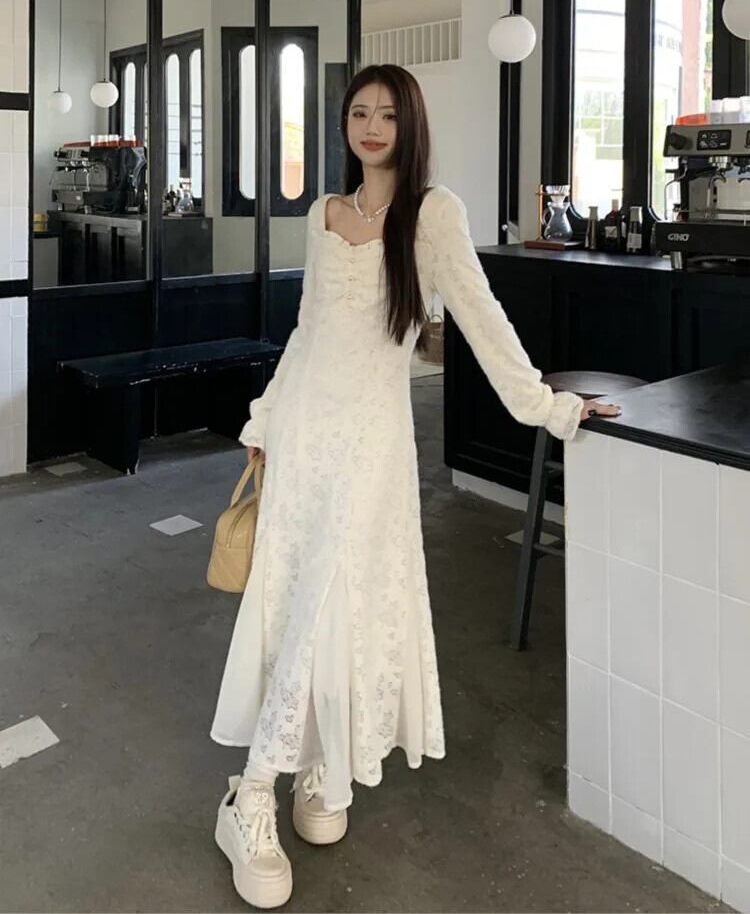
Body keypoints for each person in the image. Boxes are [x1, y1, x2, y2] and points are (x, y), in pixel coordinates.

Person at [209, 63, 621, 908]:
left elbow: (481, 316)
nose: (371, 126)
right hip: (304, 440)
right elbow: (305, 333)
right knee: (295, 601)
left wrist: (547, 405)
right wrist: (264, 421)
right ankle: (251, 796)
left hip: (373, 451)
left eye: (387, 114)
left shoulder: (434, 214)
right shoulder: (323, 214)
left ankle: (313, 767)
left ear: (410, 125)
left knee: (342, 603)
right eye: (359, 112)